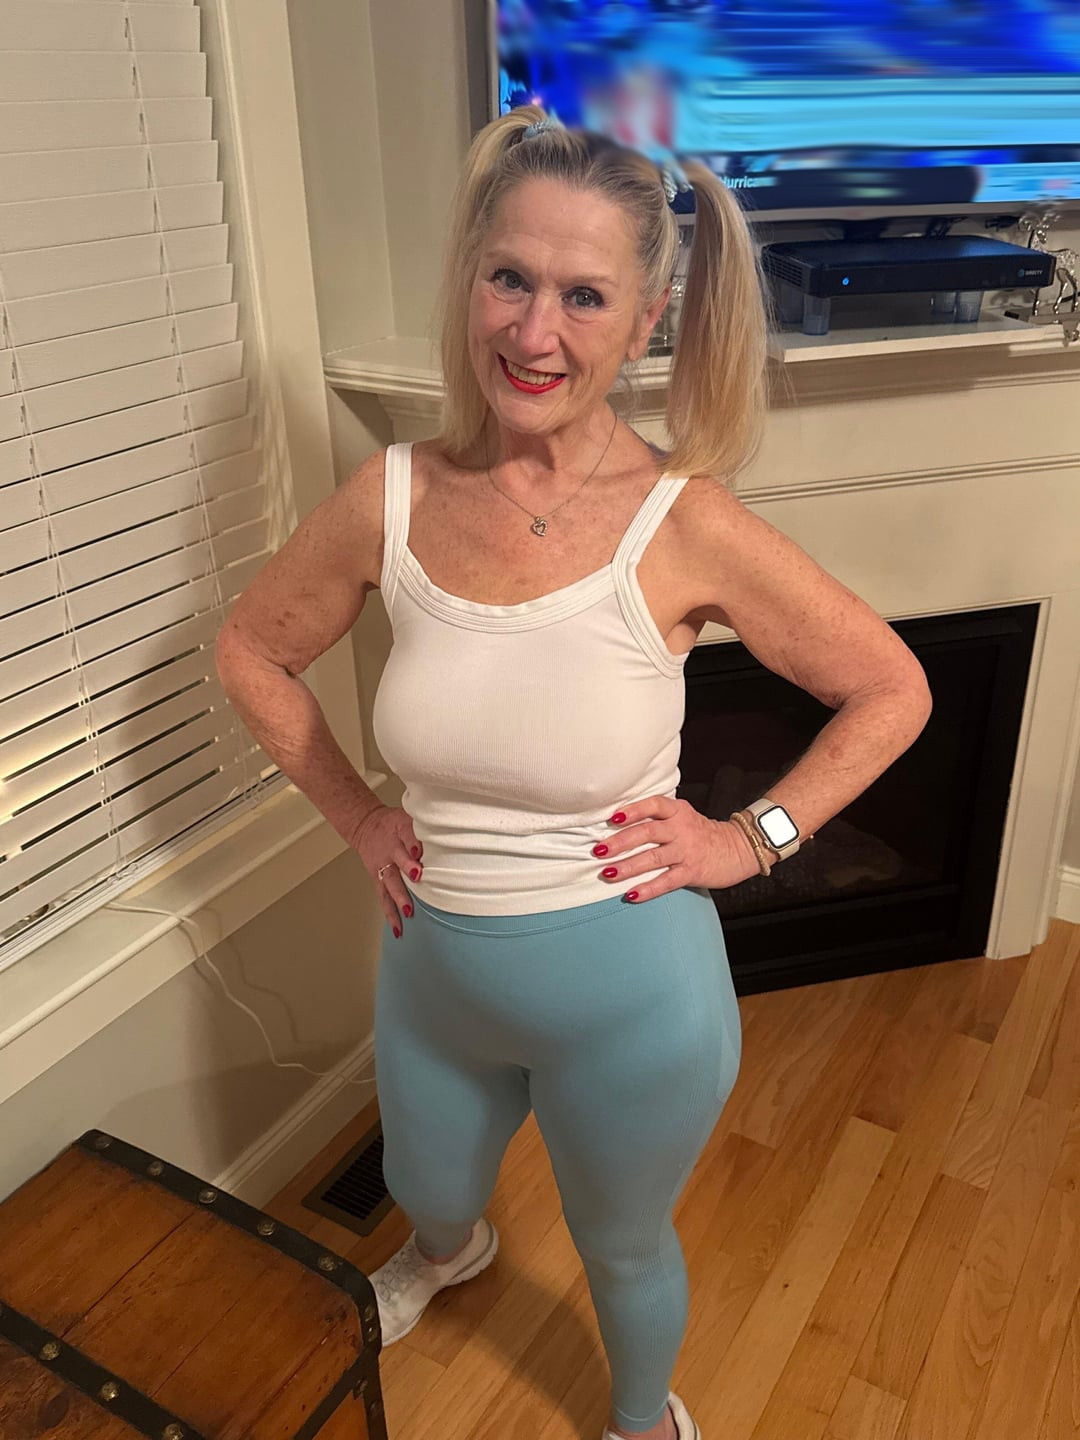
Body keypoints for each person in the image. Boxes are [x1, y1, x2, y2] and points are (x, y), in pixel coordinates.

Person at [215, 107, 932, 1440]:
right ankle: (451, 1253)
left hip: (634, 1009)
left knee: (621, 1245)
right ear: (471, 279)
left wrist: (752, 838)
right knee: (429, 1191)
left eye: (584, 295)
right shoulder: (390, 495)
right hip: (435, 982)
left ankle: (644, 1421)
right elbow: (252, 649)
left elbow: (893, 689)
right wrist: (358, 817)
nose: (534, 331)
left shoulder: (684, 522)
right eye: (510, 278)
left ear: (647, 317)